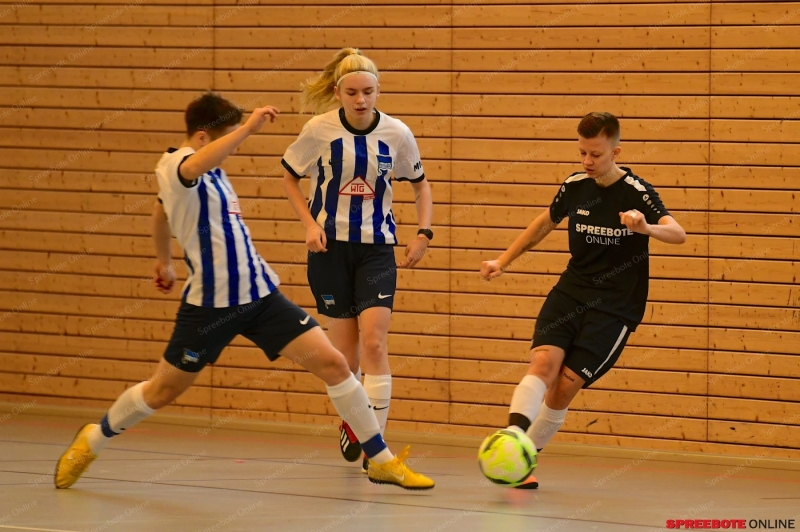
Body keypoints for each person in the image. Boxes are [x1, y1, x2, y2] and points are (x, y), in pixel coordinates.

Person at [54, 92, 434, 491]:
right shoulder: (175, 165)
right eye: (228, 138)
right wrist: (250, 128)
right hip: (211, 307)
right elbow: (188, 172)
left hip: (260, 296)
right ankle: (94, 438)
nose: (232, 148)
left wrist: (164, 260)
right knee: (162, 390)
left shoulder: (213, 174)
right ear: (204, 137)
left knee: (335, 365)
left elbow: (160, 211)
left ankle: (381, 461)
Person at [480, 112, 686, 489]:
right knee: (543, 364)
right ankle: (513, 438)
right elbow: (544, 223)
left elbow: (678, 234)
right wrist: (502, 261)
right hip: (572, 291)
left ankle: (524, 457)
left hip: (615, 306)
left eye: (596, 154)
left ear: (615, 151)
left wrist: (645, 227)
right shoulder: (575, 186)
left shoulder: (636, 191)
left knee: (563, 387)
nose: (587, 161)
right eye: (582, 153)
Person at [281, 49, 433, 472]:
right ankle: (354, 420)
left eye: (368, 91)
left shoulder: (397, 133)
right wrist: (309, 225)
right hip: (330, 251)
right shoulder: (319, 130)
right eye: (352, 93)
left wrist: (423, 233)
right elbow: (290, 177)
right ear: (337, 93)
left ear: (378, 90)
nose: (361, 100)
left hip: (376, 250)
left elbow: (421, 185)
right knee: (345, 360)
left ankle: (375, 449)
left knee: (375, 343)